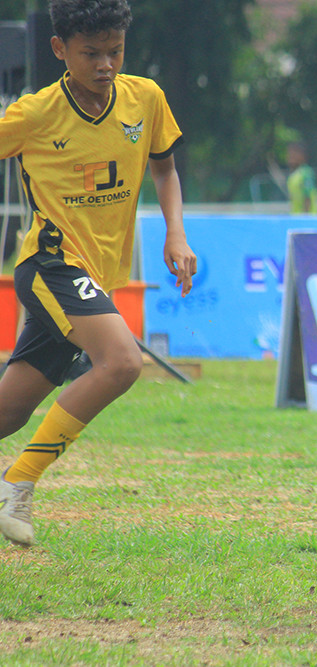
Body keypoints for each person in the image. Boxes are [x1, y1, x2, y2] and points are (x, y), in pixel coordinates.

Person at [0, 0, 197, 547]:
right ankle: (17, 484)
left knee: (10, 411)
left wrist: (175, 234)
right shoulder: (35, 113)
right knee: (122, 361)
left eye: (115, 50)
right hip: (50, 264)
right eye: (91, 53)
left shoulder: (145, 98)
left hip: (96, 278)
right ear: (60, 50)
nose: (106, 63)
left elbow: (165, 168)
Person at [286, 142, 317, 215]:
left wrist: (305, 218)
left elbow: (307, 197)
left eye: (293, 155)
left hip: (308, 219)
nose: (290, 158)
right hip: (296, 216)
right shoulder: (294, 175)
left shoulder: (306, 173)